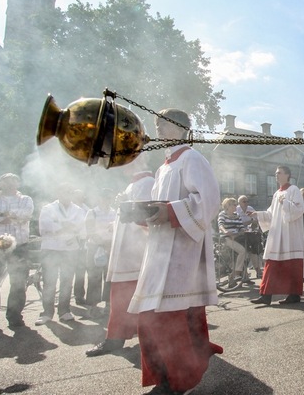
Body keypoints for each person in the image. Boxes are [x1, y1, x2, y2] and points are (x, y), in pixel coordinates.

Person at [126, 108, 223, 394]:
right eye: (157, 123)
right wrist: (143, 215)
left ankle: (180, 382)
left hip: (182, 254)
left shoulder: (192, 158)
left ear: (182, 128)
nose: (159, 128)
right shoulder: (163, 167)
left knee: (170, 319)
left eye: (165, 124)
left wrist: (168, 213)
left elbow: (207, 201)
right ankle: (164, 378)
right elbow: (160, 208)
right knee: (150, 317)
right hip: (158, 252)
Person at [87, 165, 154, 357]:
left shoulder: (147, 183)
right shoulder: (132, 185)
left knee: (134, 300)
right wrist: (112, 227)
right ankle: (116, 338)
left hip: (136, 255)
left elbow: (146, 218)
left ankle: (133, 339)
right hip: (125, 254)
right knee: (120, 300)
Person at [0, 173, 34, 331]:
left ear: (18, 184)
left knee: (18, 283)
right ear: (0, 184)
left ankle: (15, 317)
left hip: (19, 246)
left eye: (13, 181)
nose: (10, 184)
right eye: (6, 181)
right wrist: (9, 216)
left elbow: (25, 216)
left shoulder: (26, 199)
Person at [249, 165, 304, 305]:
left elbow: (299, 209)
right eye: (275, 173)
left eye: (279, 173)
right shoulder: (276, 193)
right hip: (277, 234)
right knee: (271, 264)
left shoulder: (294, 190)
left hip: (290, 235)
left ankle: (294, 295)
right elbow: (271, 214)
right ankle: (266, 295)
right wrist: (258, 214)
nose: (276, 175)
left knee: (292, 265)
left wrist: (285, 202)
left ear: (287, 175)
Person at [36, 182, 86, 325]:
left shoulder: (78, 209)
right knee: (49, 282)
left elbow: (80, 227)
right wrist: (66, 226)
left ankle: (64, 311)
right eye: (63, 192)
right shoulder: (48, 208)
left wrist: (60, 224)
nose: (66, 195)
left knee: (67, 281)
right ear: (58, 193)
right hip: (51, 249)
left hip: (70, 250)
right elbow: (45, 227)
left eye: (69, 192)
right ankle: (46, 313)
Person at [82, 188, 116, 319]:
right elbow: (89, 231)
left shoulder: (114, 213)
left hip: (110, 247)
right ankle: (92, 306)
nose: (106, 200)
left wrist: (109, 243)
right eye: (104, 197)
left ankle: (108, 305)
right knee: (94, 277)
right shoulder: (92, 212)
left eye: (108, 197)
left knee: (109, 277)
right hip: (95, 247)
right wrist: (101, 242)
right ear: (99, 198)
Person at [217, 197, 249, 284]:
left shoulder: (237, 215)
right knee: (242, 251)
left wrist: (241, 232)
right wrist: (225, 231)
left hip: (237, 237)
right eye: (234, 205)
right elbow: (220, 225)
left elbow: (241, 227)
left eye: (236, 204)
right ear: (228, 206)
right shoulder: (222, 214)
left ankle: (238, 277)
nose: (236, 206)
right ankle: (237, 273)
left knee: (247, 250)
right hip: (226, 238)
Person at [236, 195, 263, 278]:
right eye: (244, 202)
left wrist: (253, 224)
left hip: (250, 233)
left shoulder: (250, 209)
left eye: (247, 201)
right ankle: (243, 274)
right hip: (239, 235)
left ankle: (258, 271)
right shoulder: (236, 210)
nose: (246, 203)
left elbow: (257, 219)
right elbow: (239, 224)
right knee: (243, 252)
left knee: (253, 252)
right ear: (239, 202)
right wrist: (250, 221)